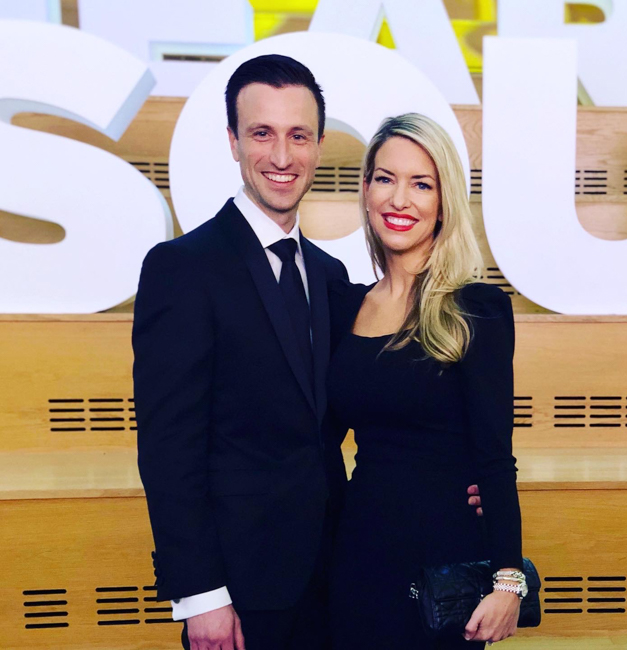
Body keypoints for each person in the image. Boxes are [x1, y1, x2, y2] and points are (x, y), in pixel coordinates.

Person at [133, 55, 483, 650]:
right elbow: (168, 450)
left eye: (298, 136)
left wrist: (464, 475)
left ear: (320, 145)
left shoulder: (328, 276)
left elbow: (387, 392)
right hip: (238, 593)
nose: (281, 156)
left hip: (339, 574)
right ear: (233, 142)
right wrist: (201, 596)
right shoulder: (182, 269)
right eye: (261, 134)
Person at [327, 113, 524, 649]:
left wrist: (509, 578)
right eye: (386, 178)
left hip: (442, 566)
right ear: (366, 190)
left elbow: (493, 453)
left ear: (443, 201)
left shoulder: (475, 308)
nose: (400, 199)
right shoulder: (344, 304)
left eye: (421, 183)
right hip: (356, 554)